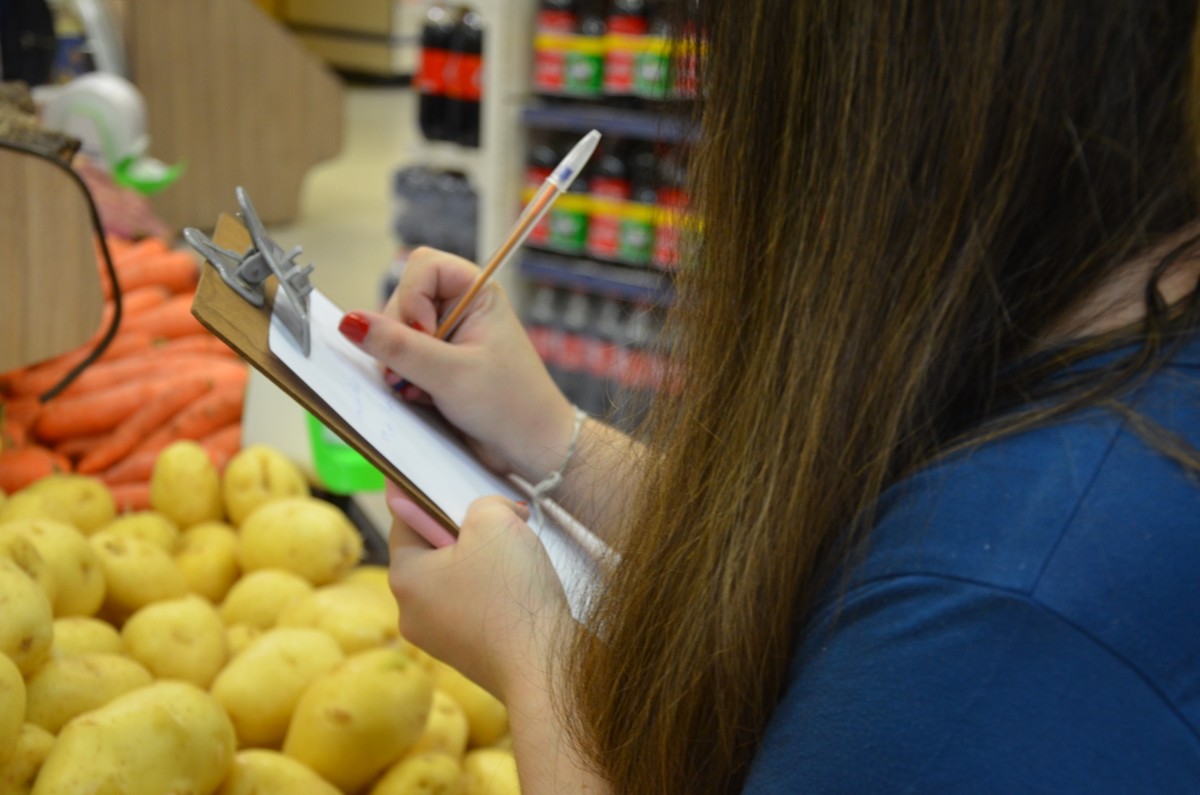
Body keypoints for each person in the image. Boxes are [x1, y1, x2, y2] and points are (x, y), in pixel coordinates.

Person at [337, 1, 1200, 791]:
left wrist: (532, 652)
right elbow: (851, 572)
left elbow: (937, 602)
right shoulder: (1126, 366)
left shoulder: (997, 628)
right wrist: (554, 438)